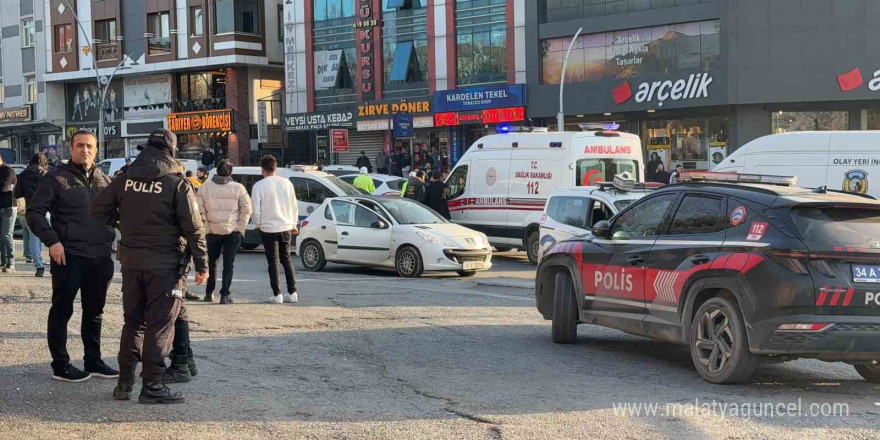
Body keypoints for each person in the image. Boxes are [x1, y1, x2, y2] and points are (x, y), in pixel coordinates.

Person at [90, 129, 208, 404]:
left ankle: (124, 383)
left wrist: (123, 223)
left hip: (131, 263)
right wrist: (202, 264)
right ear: (171, 152)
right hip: (166, 266)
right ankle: (153, 384)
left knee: (133, 323)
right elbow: (194, 228)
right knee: (160, 325)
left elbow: (97, 210)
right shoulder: (176, 183)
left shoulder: (125, 179)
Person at [27, 131, 117, 382]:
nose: (85, 150)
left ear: (96, 150)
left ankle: (93, 361)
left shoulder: (104, 179)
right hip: (69, 256)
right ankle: (61, 365)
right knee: (62, 310)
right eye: (80, 145)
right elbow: (34, 212)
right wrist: (52, 241)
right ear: (71, 148)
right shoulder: (55, 178)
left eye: (89, 146)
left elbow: (118, 213)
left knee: (95, 311)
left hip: (100, 256)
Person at [196, 159, 252, 304]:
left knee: (212, 262)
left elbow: (198, 208)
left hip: (212, 231)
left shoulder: (205, 187)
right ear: (230, 173)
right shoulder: (238, 188)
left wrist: (206, 226)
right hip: (232, 231)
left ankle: (209, 293)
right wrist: (240, 227)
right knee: (229, 264)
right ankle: (225, 294)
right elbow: (246, 209)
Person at [251, 155, 299, 304]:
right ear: (276, 168)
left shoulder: (259, 185)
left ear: (262, 169)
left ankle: (277, 294)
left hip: (268, 227)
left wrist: (258, 224)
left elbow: (255, 210)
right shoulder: (287, 183)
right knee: (287, 259)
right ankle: (292, 292)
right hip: (285, 225)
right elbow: (293, 206)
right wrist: (293, 224)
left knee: (273, 261)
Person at [14, 153, 48, 276]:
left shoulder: (23, 175)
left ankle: (39, 267)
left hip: (32, 210)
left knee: (34, 239)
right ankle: (57, 264)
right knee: (54, 238)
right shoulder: (46, 174)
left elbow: (17, 194)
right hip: (48, 210)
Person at [0, 155, 16, 272]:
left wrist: (6, 188)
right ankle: (3, 262)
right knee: (1, 237)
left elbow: (3, 186)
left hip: (8, 206)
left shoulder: (8, 170)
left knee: (6, 235)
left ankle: (11, 263)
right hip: (1, 206)